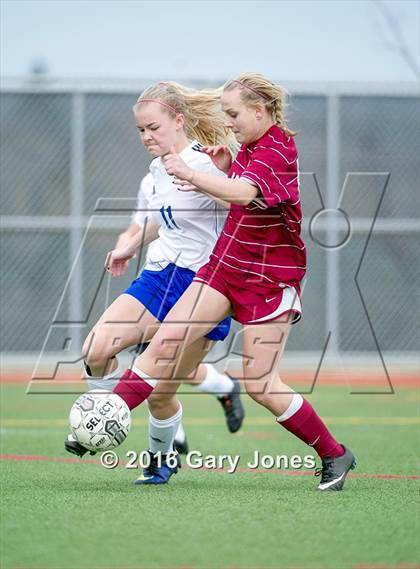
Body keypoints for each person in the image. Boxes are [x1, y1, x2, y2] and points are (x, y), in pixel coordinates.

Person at [113, 73, 356, 491]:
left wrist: (192, 172)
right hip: (224, 269)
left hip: (267, 279)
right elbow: (239, 191)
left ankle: (334, 453)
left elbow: (244, 194)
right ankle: (107, 414)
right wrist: (225, 166)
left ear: (260, 111)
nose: (228, 123)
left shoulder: (278, 147)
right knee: (165, 341)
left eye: (234, 114)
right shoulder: (249, 147)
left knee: (262, 384)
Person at [64, 81, 245, 466]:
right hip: (159, 275)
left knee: (161, 394)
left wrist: (202, 177)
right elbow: (157, 220)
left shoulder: (204, 162)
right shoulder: (155, 170)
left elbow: (238, 201)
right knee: (95, 350)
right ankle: (102, 419)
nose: (146, 136)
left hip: (202, 286)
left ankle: (162, 462)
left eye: (154, 128)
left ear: (179, 121)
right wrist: (128, 245)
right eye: (141, 130)